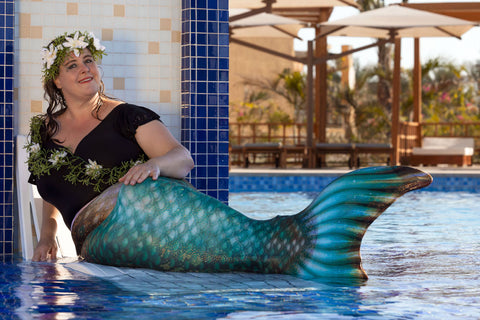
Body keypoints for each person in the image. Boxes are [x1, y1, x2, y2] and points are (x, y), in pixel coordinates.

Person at [27, 31, 194, 262]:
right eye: (72, 65)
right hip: (97, 256)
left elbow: (184, 159)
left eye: (88, 60)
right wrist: (47, 237)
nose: (85, 68)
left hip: (154, 238)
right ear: (57, 80)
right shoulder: (46, 130)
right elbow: (53, 186)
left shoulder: (127, 116)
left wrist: (155, 164)